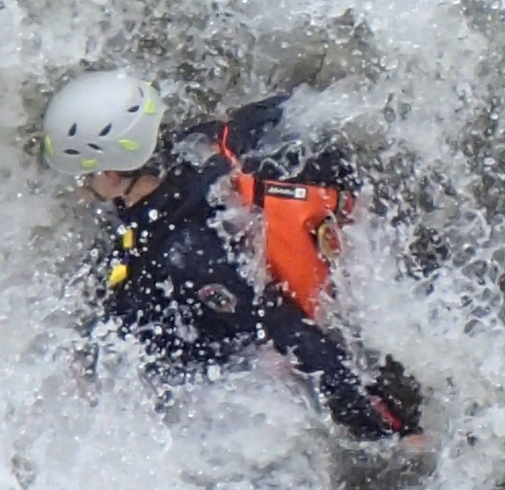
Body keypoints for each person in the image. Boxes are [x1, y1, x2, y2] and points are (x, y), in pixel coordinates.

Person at [41, 70, 425, 441]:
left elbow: (283, 326)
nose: (80, 187)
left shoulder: (184, 255)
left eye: (84, 176)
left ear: (110, 176)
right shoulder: (197, 146)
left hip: (231, 359)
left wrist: (386, 424)